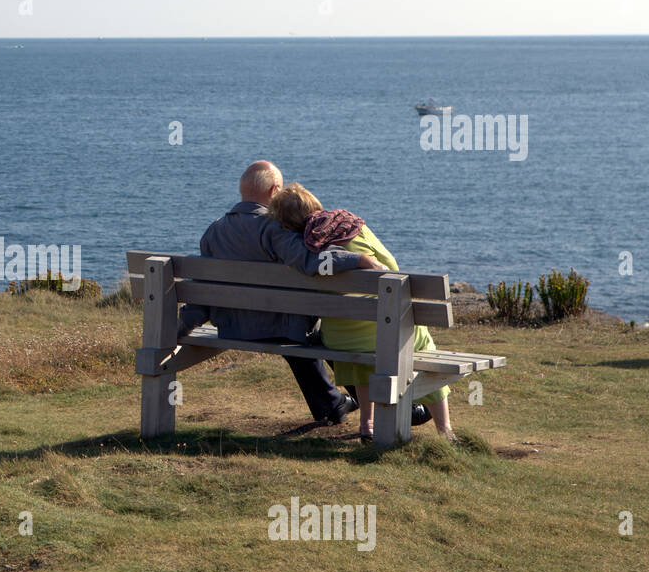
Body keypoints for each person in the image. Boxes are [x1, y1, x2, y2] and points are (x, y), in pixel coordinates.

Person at [177, 161, 386, 426]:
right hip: (281, 327)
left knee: (298, 337)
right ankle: (375, 404)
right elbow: (311, 262)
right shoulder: (274, 228)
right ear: (275, 190)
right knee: (323, 335)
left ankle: (331, 404)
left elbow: (202, 288)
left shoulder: (214, 230)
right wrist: (357, 259)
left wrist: (181, 326)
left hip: (233, 329)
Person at [268, 182, 455, 441]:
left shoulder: (302, 251)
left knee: (360, 340)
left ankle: (367, 424)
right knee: (421, 346)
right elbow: (391, 266)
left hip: (339, 340)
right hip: (382, 334)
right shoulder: (353, 227)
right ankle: (445, 431)